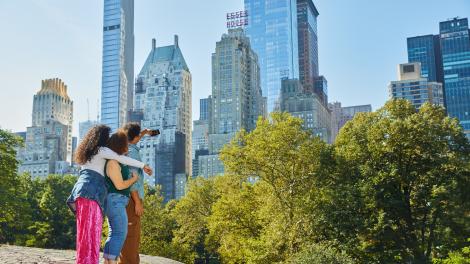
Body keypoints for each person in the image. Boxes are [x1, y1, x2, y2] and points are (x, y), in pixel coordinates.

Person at [66, 125, 152, 264]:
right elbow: (123, 159)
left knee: (84, 233)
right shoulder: (101, 151)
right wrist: (143, 165)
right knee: (92, 232)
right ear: (102, 138)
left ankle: (85, 261)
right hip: (91, 193)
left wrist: (142, 134)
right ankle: (89, 261)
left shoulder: (88, 153)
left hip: (80, 192)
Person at [119, 123, 153, 264]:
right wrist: (137, 202)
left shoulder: (125, 148)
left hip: (128, 198)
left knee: (130, 236)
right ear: (135, 137)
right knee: (131, 237)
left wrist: (143, 133)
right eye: (139, 134)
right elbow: (132, 178)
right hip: (132, 199)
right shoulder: (132, 152)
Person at [103, 130, 137, 264]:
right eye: (125, 144)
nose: (127, 146)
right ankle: (111, 261)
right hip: (115, 200)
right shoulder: (112, 163)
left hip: (117, 201)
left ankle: (108, 261)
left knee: (115, 232)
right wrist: (133, 180)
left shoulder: (118, 161)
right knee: (120, 233)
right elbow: (120, 185)